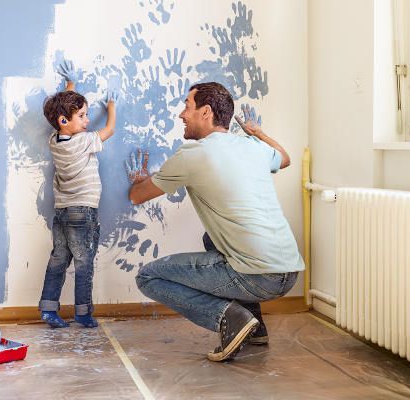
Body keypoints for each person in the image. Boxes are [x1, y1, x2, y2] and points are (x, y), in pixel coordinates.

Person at [126, 82, 304, 361]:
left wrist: (140, 181)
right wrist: (257, 132)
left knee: (148, 276)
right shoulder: (252, 146)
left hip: (259, 277)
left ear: (205, 111)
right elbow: (284, 158)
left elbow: (138, 196)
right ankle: (255, 329)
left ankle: (230, 319)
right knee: (212, 238)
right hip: (289, 271)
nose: (181, 114)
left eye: (187, 106)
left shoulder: (193, 155)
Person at [38, 60, 118, 328]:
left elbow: (62, 116)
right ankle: (83, 313)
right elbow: (109, 131)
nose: (86, 120)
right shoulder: (84, 141)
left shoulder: (54, 141)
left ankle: (49, 309)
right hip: (82, 211)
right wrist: (111, 108)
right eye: (82, 115)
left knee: (58, 259)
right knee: (84, 262)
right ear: (64, 120)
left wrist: (70, 86)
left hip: (62, 211)